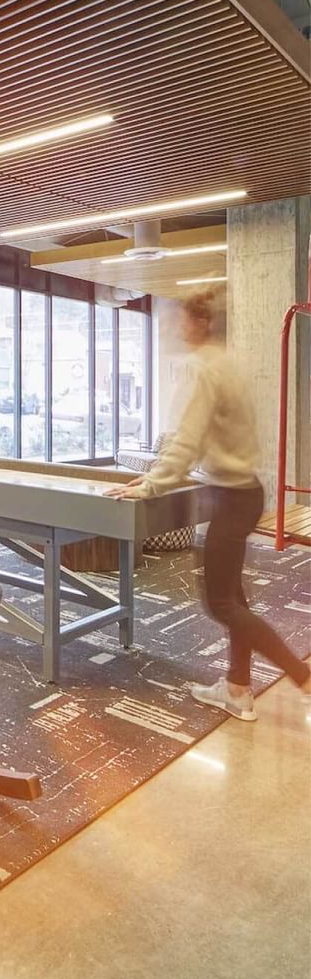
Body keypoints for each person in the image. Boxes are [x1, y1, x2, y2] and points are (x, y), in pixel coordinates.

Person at [107, 290, 311, 721]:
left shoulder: (201, 369)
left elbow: (186, 440)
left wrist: (149, 485)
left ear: (200, 323)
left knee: (220, 603)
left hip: (231, 497)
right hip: (245, 491)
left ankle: (303, 675)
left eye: (180, 320)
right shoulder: (228, 362)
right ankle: (238, 688)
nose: (175, 328)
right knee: (235, 599)